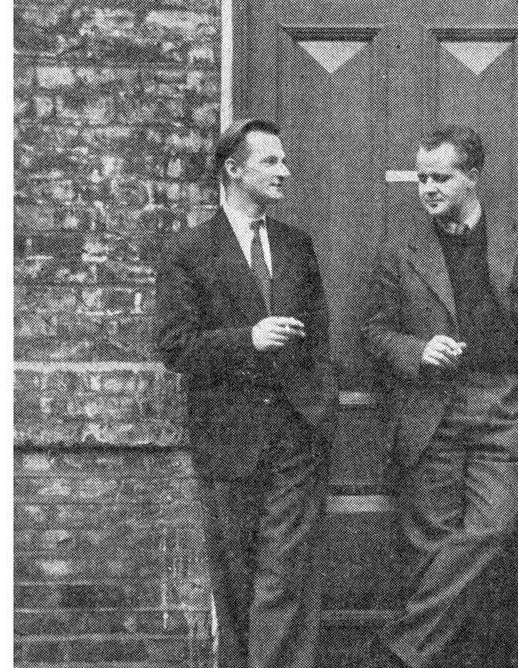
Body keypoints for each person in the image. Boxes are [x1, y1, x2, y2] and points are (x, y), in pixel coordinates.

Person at [362, 125, 518, 668]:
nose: (427, 188)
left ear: (472, 176)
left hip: (506, 405)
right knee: (431, 548)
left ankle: (399, 654)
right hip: (434, 410)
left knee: (488, 532)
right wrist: (417, 349)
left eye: (440, 177)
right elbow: (374, 333)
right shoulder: (400, 250)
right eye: (421, 178)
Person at [156, 119, 336, 668]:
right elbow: (175, 346)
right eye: (271, 162)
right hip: (227, 441)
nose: (285, 171)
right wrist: (248, 340)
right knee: (235, 584)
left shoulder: (294, 244)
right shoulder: (190, 250)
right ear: (234, 170)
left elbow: (319, 338)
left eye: (284, 161)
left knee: (284, 578)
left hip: (293, 439)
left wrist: (318, 412)